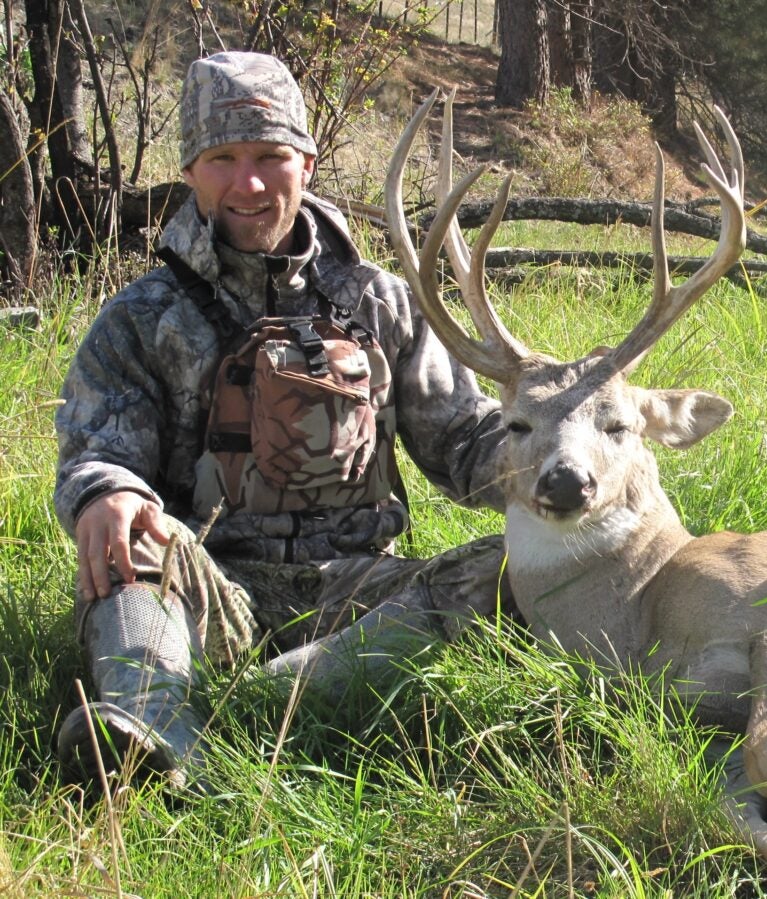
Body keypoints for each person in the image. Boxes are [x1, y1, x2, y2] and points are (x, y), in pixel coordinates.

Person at [54, 51, 508, 789]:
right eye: (223, 159)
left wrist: (561, 448)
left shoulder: (381, 302)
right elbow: (96, 452)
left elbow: (464, 442)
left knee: (510, 571)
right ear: (190, 170)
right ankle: (154, 727)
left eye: (271, 156)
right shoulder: (141, 318)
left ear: (307, 161)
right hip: (210, 594)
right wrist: (108, 492)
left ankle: (270, 700)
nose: (250, 184)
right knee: (128, 540)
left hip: (363, 593)